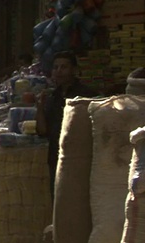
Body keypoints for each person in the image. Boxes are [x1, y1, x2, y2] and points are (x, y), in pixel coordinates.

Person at [35, 50, 98, 201]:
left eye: (64, 67)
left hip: (81, 158)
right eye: (55, 67)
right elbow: (43, 130)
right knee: (59, 200)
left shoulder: (86, 96)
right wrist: (39, 107)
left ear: (74, 70)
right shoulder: (52, 97)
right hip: (56, 158)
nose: (58, 71)